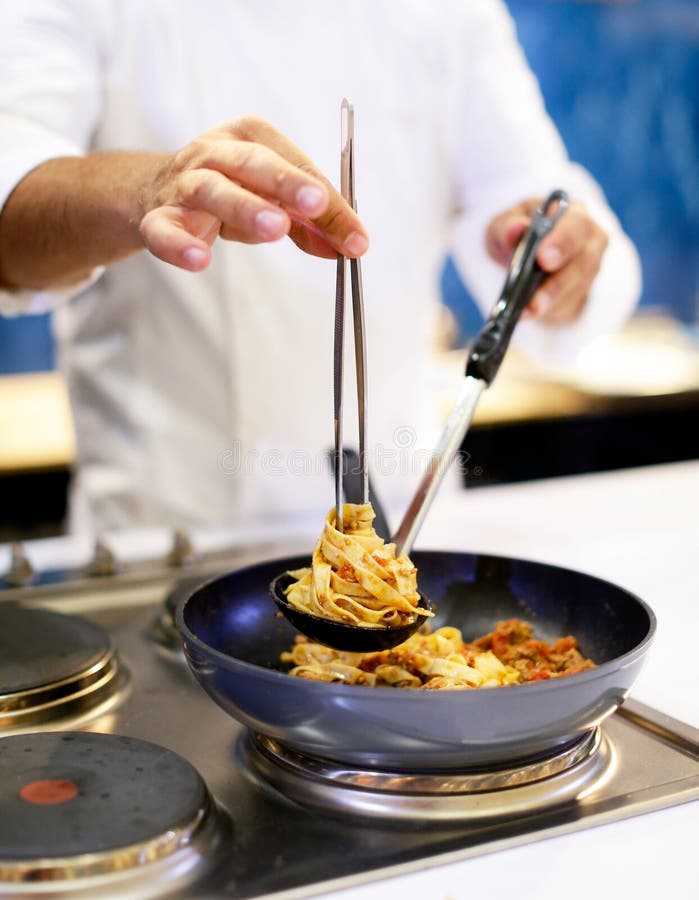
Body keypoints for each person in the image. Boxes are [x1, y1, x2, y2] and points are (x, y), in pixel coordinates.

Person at [0, 1, 641, 535]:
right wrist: (151, 190)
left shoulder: (450, 14)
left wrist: (560, 258)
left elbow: (533, 191)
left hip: (403, 527)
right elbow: (11, 198)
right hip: (167, 537)